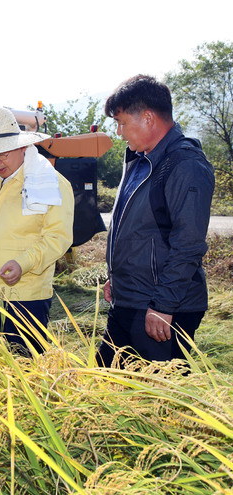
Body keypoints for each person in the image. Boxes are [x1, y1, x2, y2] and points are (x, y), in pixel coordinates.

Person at [97, 74, 215, 367]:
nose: (120, 132)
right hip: (130, 300)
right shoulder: (139, 160)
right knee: (107, 382)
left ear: (148, 118)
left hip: (161, 308)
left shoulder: (184, 164)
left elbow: (187, 244)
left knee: (159, 401)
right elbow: (138, 230)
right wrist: (118, 277)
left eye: (122, 122)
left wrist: (163, 307)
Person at [0, 107, 74, 355]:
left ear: (21, 147)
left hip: (25, 298)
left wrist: (23, 263)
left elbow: (57, 238)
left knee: (26, 371)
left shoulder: (49, 183)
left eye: (3, 155)